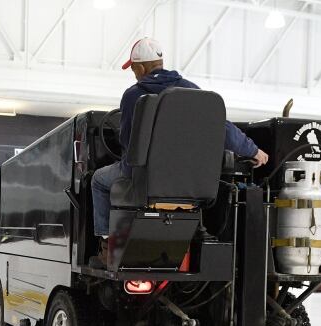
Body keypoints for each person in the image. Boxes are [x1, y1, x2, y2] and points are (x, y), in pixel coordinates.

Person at [90, 37, 269, 266]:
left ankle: (107, 247)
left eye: (134, 68)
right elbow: (222, 128)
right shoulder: (192, 91)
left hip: (145, 179)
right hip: (192, 183)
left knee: (97, 180)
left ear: (142, 67)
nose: (133, 73)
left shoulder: (134, 95)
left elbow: (128, 141)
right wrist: (254, 150)